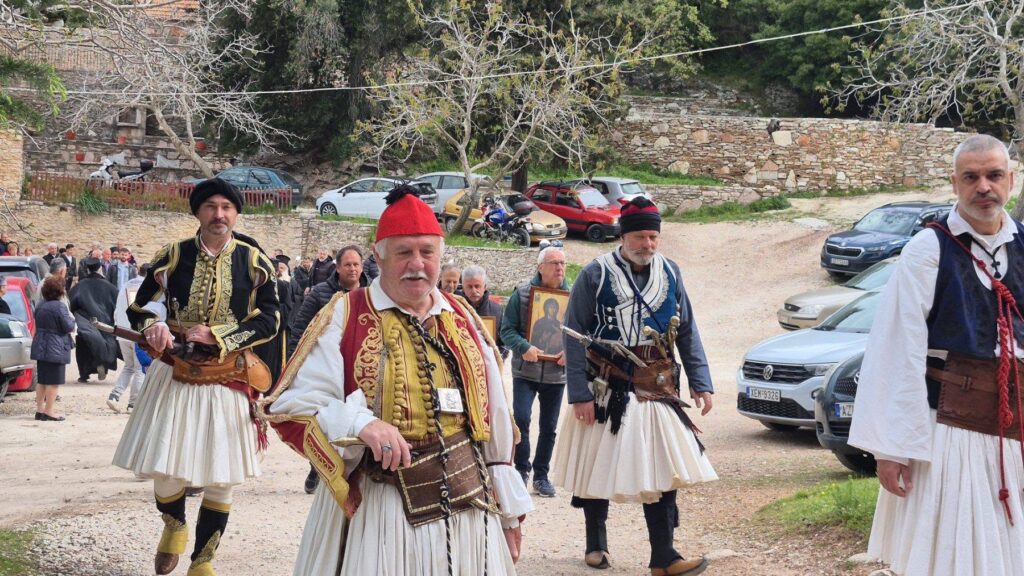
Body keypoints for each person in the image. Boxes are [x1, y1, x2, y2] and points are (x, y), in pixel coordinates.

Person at [264, 184, 531, 576]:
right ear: (379, 256)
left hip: (469, 503)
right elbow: (297, 404)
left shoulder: (462, 317)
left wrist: (508, 513)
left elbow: (494, 415)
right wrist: (360, 423)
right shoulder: (345, 314)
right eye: (404, 252)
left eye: (427, 252)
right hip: (380, 511)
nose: (417, 264)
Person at [847, 135, 1024, 576]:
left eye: (994, 175)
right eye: (971, 177)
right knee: (954, 556)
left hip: (1017, 426)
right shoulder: (928, 248)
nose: (984, 187)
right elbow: (896, 348)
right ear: (954, 183)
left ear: (1011, 179)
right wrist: (890, 448)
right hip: (949, 430)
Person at [112, 178, 280, 576]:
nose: (219, 215)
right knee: (165, 464)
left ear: (236, 214)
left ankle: (203, 560)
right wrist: (154, 324)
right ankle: (174, 525)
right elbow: (139, 305)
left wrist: (220, 335)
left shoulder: (255, 261)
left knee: (223, 474)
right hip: (175, 370)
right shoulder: (173, 255)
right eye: (211, 207)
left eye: (226, 207)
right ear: (198, 212)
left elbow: (271, 318)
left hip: (229, 374)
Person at [551, 197, 717, 575]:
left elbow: (687, 330)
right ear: (623, 237)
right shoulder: (595, 274)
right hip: (606, 386)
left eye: (653, 237)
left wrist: (700, 382)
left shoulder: (671, 272)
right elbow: (573, 335)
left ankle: (664, 556)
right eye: (640, 236)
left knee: (663, 467)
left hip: (657, 385)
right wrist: (579, 394)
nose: (648, 244)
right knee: (596, 465)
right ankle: (596, 543)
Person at [285, 245, 366, 495]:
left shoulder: (370, 295)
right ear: (337, 267)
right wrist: (293, 364)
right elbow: (300, 328)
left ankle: (351, 472)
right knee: (324, 418)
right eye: (347, 264)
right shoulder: (320, 293)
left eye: (356, 264)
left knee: (356, 418)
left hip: (359, 366)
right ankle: (317, 465)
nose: (352, 269)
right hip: (325, 368)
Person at [499, 246, 570, 498]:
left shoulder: (572, 297)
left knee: (549, 426)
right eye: (554, 263)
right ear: (541, 267)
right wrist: (524, 347)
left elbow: (582, 331)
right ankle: (521, 470)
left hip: (556, 374)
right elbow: (506, 330)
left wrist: (569, 351)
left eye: (562, 263)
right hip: (525, 372)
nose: (560, 267)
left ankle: (541, 475)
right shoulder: (522, 294)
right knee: (521, 418)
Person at [106, 263, 151, 414]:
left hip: (122, 331)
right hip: (136, 332)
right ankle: (133, 403)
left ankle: (114, 395)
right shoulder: (146, 288)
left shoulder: (125, 285)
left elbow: (117, 309)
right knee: (139, 368)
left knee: (129, 366)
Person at [30, 276, 76, 422]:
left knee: (42, 380)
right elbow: (68, 326)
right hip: (55, 346)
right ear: (60, 291)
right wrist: (73, 320)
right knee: (54, 382)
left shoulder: (40, 305)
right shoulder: (60, 306)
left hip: (40, 344)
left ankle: (39, 410)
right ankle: (49, 411)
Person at [69, 257, 119, 383]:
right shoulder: (110, 287)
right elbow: (117, 306)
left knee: (84, 345)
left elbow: (71, 304)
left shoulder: (80, 286)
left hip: (86, 321)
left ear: (87, 269)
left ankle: (84, 374)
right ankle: (102, 365)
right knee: (106, 343)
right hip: (106, 322)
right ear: (100, 268)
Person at [456, 265, 507, 357]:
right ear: (463, 287)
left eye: (477, 286)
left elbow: (504, 343)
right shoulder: (455, 308)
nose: (474, 290)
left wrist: (498, 360)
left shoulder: (497, 310)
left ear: (485, 287)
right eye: (469, 287)